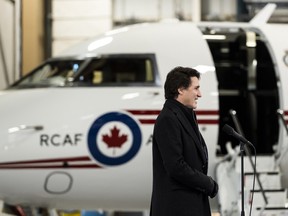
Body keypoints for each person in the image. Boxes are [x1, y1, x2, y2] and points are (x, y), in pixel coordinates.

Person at [150, 66, 218, 216]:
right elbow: (176, 166)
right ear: (180, 89)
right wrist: (208, 183)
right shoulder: (168, 119)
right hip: (177, 208)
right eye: (196, 88)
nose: (199, 94)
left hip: (189, 206)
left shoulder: (184, 116)